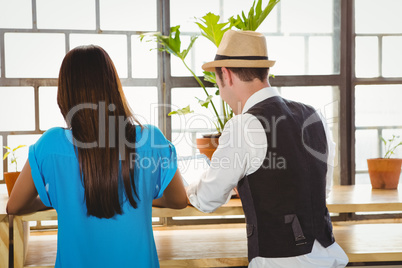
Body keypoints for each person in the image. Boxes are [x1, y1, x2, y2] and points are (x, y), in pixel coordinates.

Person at [7, 45, 187, 267]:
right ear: (113, 86)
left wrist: (56, 200)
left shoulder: (50, 144)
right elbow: (179, 200)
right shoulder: (151, 139)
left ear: (66, 92)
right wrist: (141, 198)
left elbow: (14, 206)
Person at [186, 30, 349, 267]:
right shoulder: (314, 115)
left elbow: (207, 198)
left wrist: (185, 188)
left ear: (226, 74)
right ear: (265, 72)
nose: (221, 95)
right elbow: (320, 187)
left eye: (218, 85)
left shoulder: (243, 125)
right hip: (329, 257)